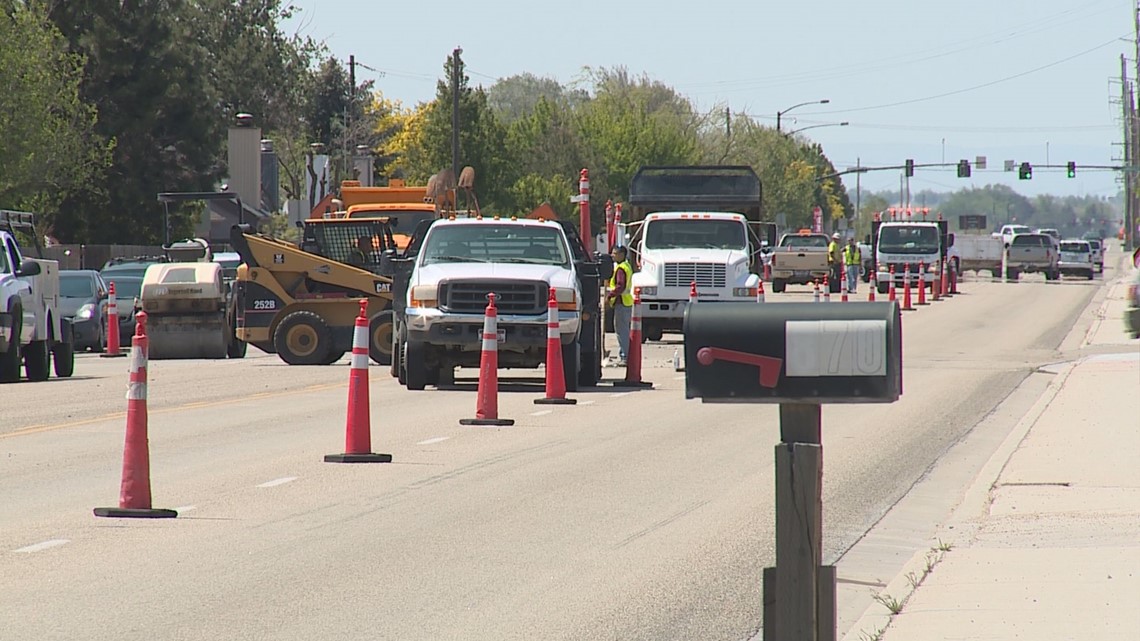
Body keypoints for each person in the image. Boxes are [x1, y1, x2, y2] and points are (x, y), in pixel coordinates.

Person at [607, 245, 634, 366]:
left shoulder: (621, 269)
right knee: (625, 330)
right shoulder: (626, 266)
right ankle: (626, 355)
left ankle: (625, 357)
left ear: (622, 254)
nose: (613, 255)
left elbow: (620, 286)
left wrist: (610, 295)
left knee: (621, 331)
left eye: (615, 253)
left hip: (622, 302)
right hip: (627, 302)